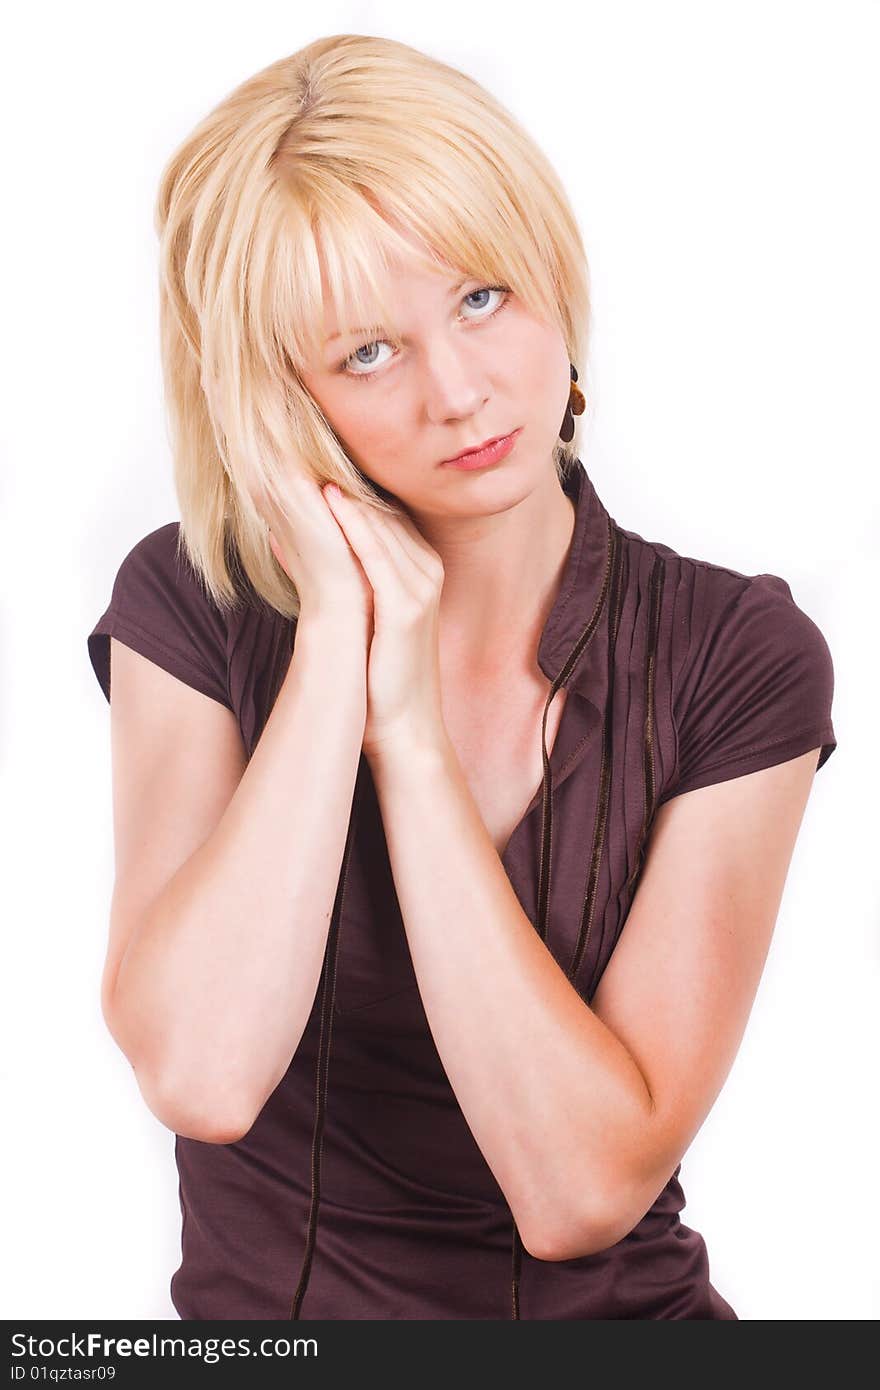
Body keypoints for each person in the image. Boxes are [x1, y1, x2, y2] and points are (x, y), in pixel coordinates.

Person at [86, 34, 837, 1320]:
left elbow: (580, 1191)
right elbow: (203, 1073)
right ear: (281, 400)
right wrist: (336, 637)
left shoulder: (735, 658)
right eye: (366, 352)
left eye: (481, 297)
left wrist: (411, 740)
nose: (461, 391)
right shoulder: (193, 604)